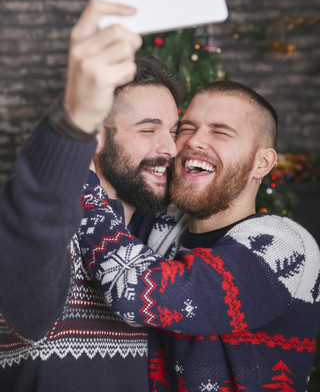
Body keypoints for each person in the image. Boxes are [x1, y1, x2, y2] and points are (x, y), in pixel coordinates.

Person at [79, 80, 320, 392]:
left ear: (262, 163)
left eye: (219, 132)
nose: (194, 142)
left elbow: (135, 290)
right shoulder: (160, 225)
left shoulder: (285, 247)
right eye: (187, 128)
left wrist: (79, 179)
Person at [0, 0, 181, 392]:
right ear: (98, 138)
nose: (170, 148)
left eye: (174, 130)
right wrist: (74, 118)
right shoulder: (49, 229)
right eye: (148, 129)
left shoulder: (167, 235)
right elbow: (34, 240)